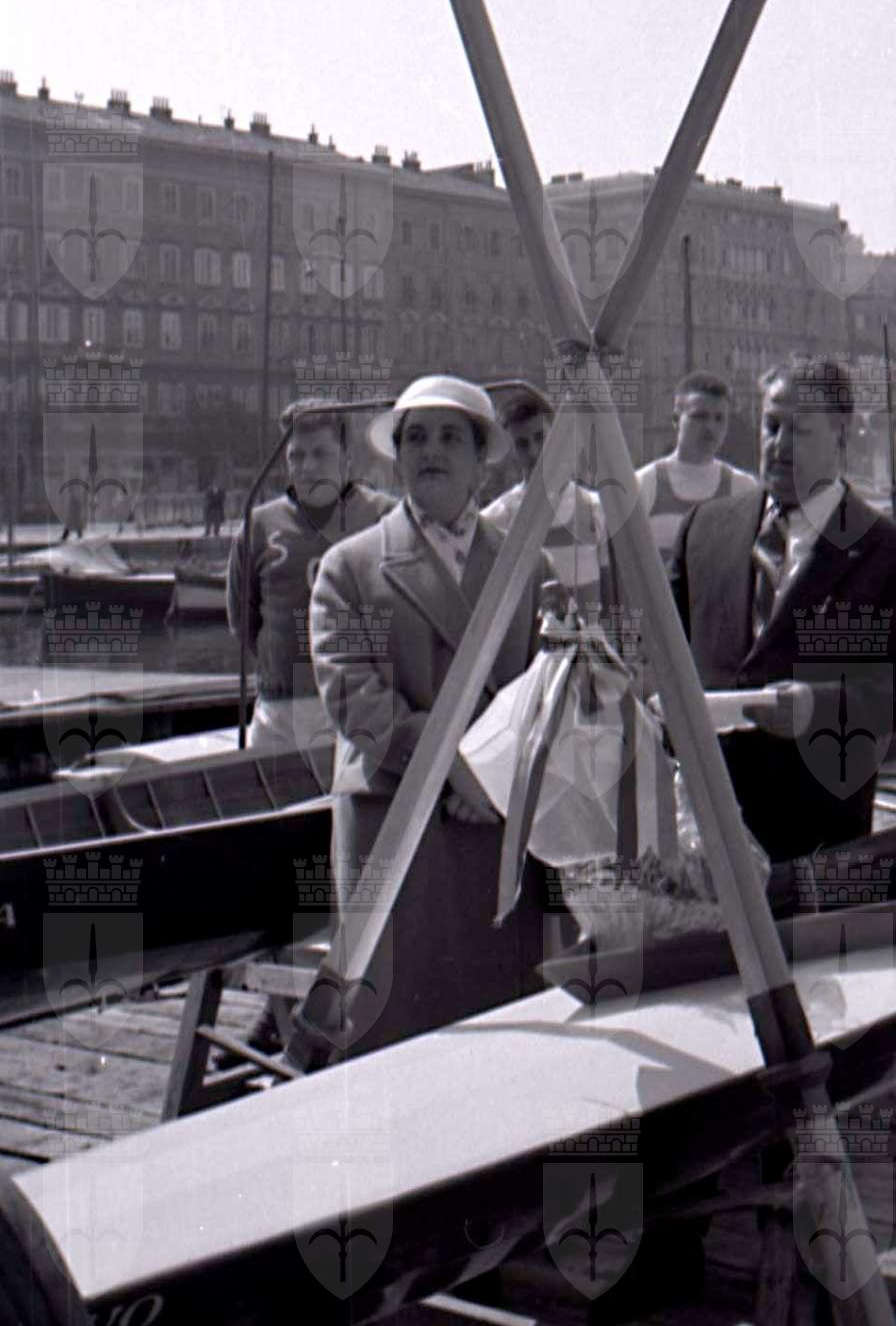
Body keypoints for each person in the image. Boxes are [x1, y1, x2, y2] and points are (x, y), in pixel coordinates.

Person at [310, 374, 552, 1053]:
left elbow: (548, 688)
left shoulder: (525, 565)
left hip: (494, 823)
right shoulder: (349, 567)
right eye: (415, 437)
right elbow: (355, 697)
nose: (431, 450)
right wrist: (460, 768)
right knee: (395, 1032)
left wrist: (496, 777)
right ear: (397, 457)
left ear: (482, 462)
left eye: (451, 437)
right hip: (396, 822)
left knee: (500, 1031)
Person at [670, 357, 896, 862]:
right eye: (772, 426)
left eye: (801, 430)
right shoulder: (702, 530)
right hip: (705, 832)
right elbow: (665, 649)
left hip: (817, 832)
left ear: (840, 437)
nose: (780, 445)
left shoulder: (891, 557)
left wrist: (815, 707)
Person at [227, 400, 393, 757]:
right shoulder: (258, 525)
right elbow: (243, 620)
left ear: (347, 457)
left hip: (357, 703)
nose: (306, 467)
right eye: (296, 456)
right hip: (279, 709)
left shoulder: (384, 517)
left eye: (320, 454)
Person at [482, 382, 617, 624]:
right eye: (522, 444)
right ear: (512, 450)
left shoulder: (594, 507)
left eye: (540, 438)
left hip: (589, 644)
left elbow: (610, 597)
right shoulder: (499, 518)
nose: (534, 451)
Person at [636, 370, 757, 573]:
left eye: (719, 419)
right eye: (699, 416)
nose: (710, 427)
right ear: (676, 419)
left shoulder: (743, 487)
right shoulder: (645, 483)